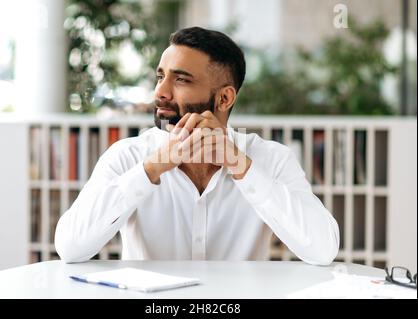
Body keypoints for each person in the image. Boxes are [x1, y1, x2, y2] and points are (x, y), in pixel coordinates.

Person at [55, 27, 339, 265]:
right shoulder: (127, 156)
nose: (160, 92)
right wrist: (151, 169)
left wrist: (242, 167)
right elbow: (70, 247)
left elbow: (323, 250)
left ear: (224, 99)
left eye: (180, 80)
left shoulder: (271, 159)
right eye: (160, 76)